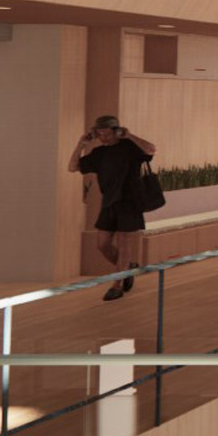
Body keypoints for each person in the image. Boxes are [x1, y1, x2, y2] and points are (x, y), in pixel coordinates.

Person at [69, 115, 157, 300]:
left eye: (107, 134)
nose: (104, 138)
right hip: (109, 203)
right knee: (102, 245)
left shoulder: (130, 148)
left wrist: (130, 136)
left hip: (129, 203)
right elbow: (73, 166)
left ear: (117, 132)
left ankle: (117, 285)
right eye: (100, 135)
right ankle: (128, 269)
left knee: (124, 245)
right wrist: (81, 144)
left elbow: (151, 149)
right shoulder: (99, 153)